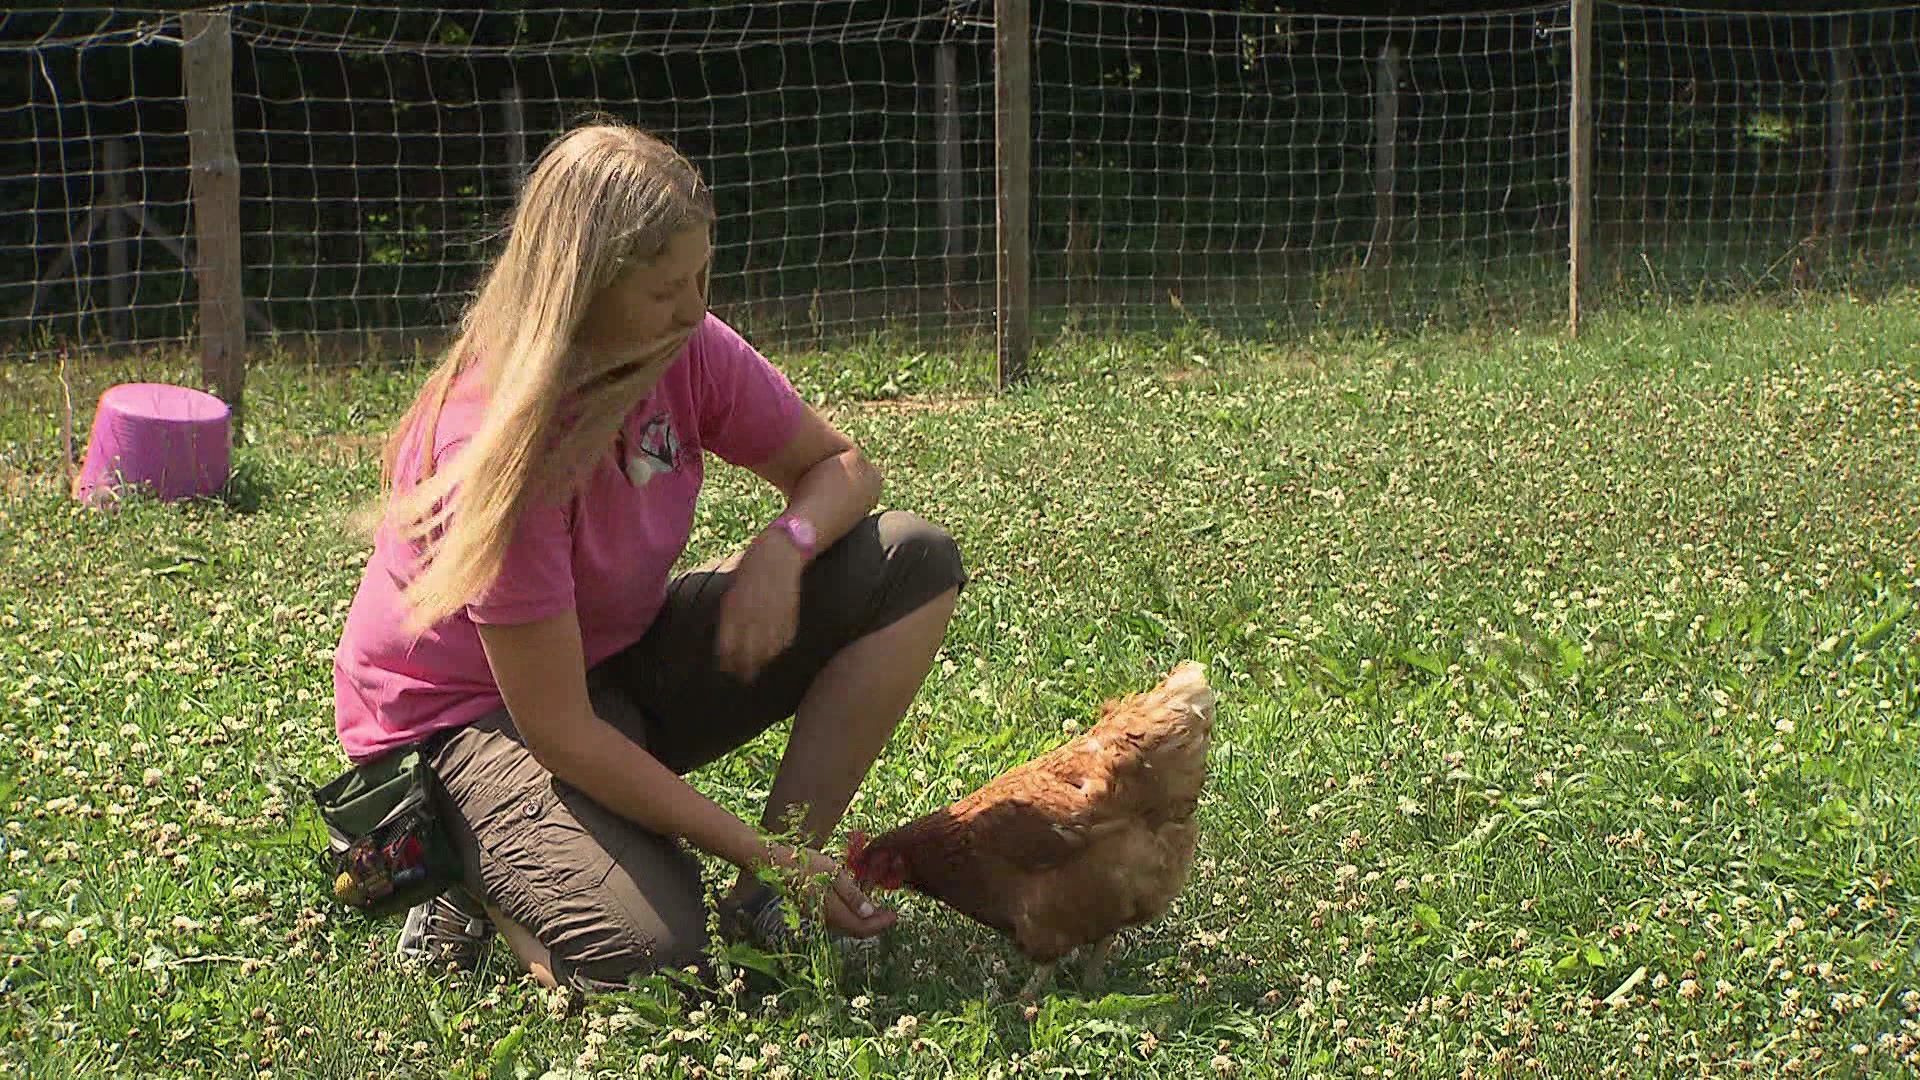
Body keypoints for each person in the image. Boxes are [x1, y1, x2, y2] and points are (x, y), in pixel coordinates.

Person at [330, 120, 965, 992]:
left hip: (606, 665)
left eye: (703, 274)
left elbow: (844, 468)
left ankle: (761, 902)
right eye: (668, 287)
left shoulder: (685, 349)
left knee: (910, 562)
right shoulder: (503, 450)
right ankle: (466, 870)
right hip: (469, 720)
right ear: (581, 291)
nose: (698, 306)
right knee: (652, 962)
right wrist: (758, 841)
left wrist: (786, 546)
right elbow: (561, 730)